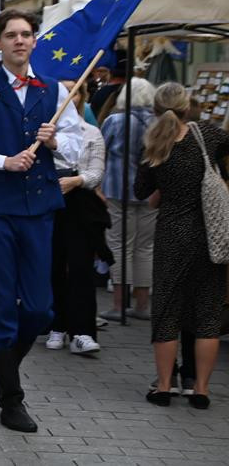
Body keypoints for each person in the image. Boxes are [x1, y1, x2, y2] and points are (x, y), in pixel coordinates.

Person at [0, 8, 81, 433]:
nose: (20, 41)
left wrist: (56, 141)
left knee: (40, 307)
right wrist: (2, 160)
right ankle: (11, 395)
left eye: (26, 34)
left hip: (40, 208)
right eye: (11, 35)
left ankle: (7, 369)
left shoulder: (54, 91)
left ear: (34, 41)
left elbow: (78, 149)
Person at [135, 82, 229, 409]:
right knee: (207, 314)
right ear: (187, 106)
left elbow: (142, 193)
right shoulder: (209, 135)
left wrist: (165, 190)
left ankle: (164, 386)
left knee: (166, 314)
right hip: (210, 235)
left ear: (156, 109)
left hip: (172, 235)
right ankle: (200, 389)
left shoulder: (153, 143)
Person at [45, 80, 106, 356]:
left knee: (81, 267)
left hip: (81, 204)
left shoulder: (91, 132)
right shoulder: (45, 130)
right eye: (64, 91)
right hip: (49, 202)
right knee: (53, 264)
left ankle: (82, 330)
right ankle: (57, 324)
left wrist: (76, 180)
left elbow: (96, 173)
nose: (70, 96)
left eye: (76, 90)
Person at [100, 77, 157, 321]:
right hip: (150, 193)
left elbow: (99, 150)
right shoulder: (159, 123)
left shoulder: (115, 120)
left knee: (119, 246)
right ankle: (142, 305)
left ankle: (119, 305)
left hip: (117, 189)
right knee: (145, 248)